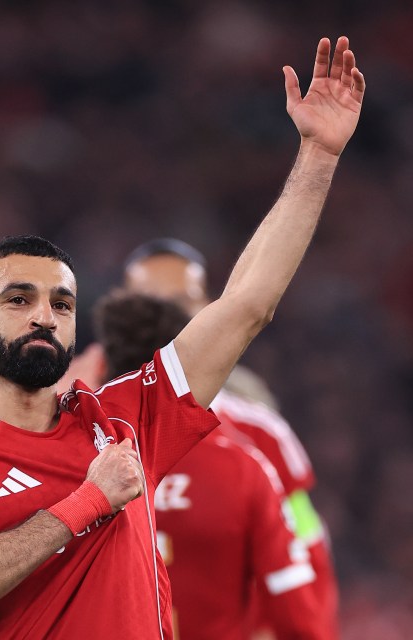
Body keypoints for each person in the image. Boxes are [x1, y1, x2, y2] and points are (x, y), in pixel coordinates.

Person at [0, 35, 365, 640]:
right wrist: (90, 500)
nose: (44, 316)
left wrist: (318, 155)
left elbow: (246, 306)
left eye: (61, 303)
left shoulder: (127, 422)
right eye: (18, 299)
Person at [122, 238, 341, 639]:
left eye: (180, 301)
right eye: (149, 304)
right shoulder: (74, 423)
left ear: (208, 310)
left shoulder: (262, 435)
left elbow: (306, 560)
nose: (165, 318)